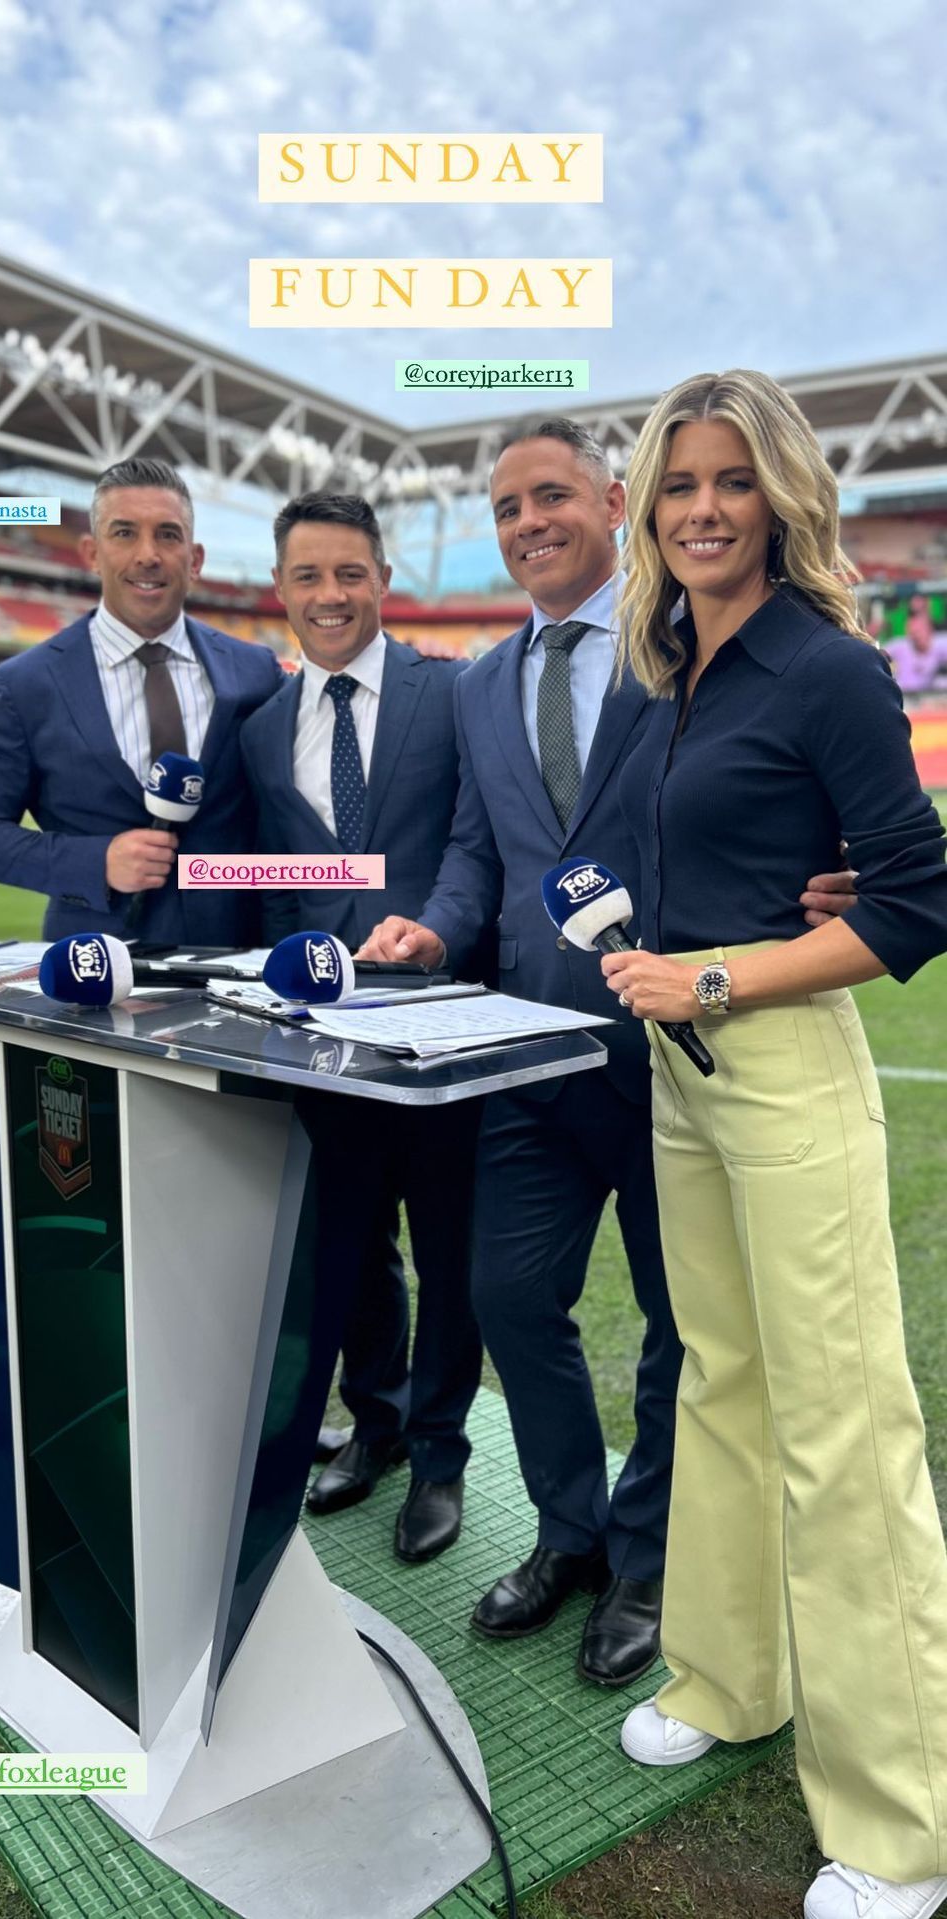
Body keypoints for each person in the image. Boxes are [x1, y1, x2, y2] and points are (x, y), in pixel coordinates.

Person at [361, 419, 855, 1684]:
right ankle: (571, 1526)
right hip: (532, 1047)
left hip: (680, 1049)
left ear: (613, 498)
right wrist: (437, 924)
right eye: (506, 507)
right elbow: (479, 850)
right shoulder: (479, 684)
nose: (529, 522)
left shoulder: (695, 639)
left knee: (681, 1325)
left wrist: (833, 866)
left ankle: (647, 1555)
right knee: (508, 1293)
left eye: (551, 495)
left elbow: (766, 784)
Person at [604, 369, 947, 1919]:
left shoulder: (828, 667)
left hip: (780, 1054)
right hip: (680, 1069)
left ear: (782, 495)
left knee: (843, 1425)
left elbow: (918, 900)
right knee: (723, 1382)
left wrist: (721, 976)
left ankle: (901, 1826)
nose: (703, 507)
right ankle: (728, 1674)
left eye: (732, 479)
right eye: (680, 483)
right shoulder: (665, 667)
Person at [239, 492, 486, 1564]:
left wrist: (439, 933)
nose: (330, 594)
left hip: (443, 1028)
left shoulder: (456, 691)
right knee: (349, 1246)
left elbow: (484, 842)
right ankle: (375, 1423)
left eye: (350, 572)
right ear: (281, 589)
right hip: (323, 1042)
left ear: (383, 579)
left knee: (449, 1252)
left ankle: (439, 1454)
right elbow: (275, 884)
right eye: (309, 575)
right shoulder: (262, 730)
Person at [0, 458, 281, 945]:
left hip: (240, 958)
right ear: (92, 553)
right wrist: (95, 861)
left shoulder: (256, 671)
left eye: (168, 535)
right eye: (124, 533)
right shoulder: (25, 685)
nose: (148, 555)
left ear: (195, 560)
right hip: (93, 960)